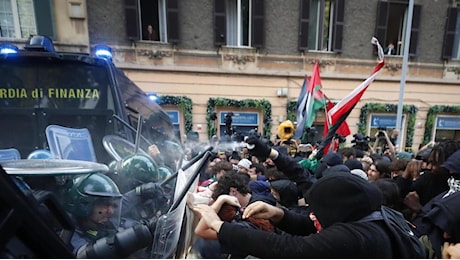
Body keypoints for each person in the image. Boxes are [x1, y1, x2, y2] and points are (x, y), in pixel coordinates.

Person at [192, 172, 416, 258]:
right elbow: (311, 226)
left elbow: (287, 248)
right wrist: (278, 214)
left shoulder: (356, 236)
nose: (312, 215)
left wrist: (219, 225)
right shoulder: (365, 215)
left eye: (317, 210)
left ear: (339, 208)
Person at [63, 173, 156, 258]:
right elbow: (84, 255)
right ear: (84, 204)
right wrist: (139, 234)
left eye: (113, 205)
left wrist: (152, 227)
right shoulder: (69, 235)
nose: (111, 211)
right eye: (104, 204)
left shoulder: (105, 224)